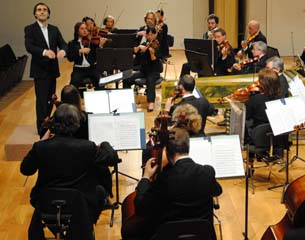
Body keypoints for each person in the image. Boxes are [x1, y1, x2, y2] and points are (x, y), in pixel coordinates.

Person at [21, 104, 119, 239]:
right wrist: (105, 144)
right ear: (76, 124)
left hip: (46, 202)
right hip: (80, 204)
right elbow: (113, 159)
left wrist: (42, 142)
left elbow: (25, 169)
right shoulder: (87, 147)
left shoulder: (40, 147)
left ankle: (58, 231)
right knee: (100, 191)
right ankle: (84, 227)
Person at [131, 128, 222, 240]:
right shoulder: (207, 172)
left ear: (167, 152)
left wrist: (145, 177)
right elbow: (217, 191)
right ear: (188, 147)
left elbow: (141, 207)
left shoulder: (163, 179)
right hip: (203, 236)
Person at [25, 2, 67, 138]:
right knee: (41, 100)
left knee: (50, 99)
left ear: (48, 13)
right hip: (40, 69)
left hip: (52, 69)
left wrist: (63, 51)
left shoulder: (54, 29)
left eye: (44, 10)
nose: (42, 12)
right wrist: (44, 52)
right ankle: (42, 129)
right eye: (39, 10)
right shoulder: (30, 29)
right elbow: (29, 46)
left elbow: (63, 43)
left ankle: (48, 124)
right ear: (35, 14)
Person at [125, 26, 163, 111]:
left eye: (151, 34)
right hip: (143, 71)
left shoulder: (157, 46)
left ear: (154, 35)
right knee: (127, 78)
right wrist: (138, 48)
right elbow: (134, 51)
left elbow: (154, 60)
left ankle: (151, 102)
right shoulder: (144, 44)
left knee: (150, 79)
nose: (149, 37)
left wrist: (151, 53)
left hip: (154, 71)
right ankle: (127, 99)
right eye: (147, 35)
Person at [66, 22, 106, 93]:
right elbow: (70, 58)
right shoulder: (72, 43)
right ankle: (76, 101)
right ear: (77, 31)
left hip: (92, 68)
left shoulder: (91, 42)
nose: (85, 30)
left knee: (101, 82)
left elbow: (97, 57)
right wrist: (79, 51)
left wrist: (100, 46)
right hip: (79, 69)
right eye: (82, 29)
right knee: (73, 85)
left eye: (86, 29)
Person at [245, 68, 281, 138]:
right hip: (277, 136)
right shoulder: (280, 98)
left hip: (259, 136)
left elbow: (246, 116)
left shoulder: (255, 99)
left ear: (263, 83)